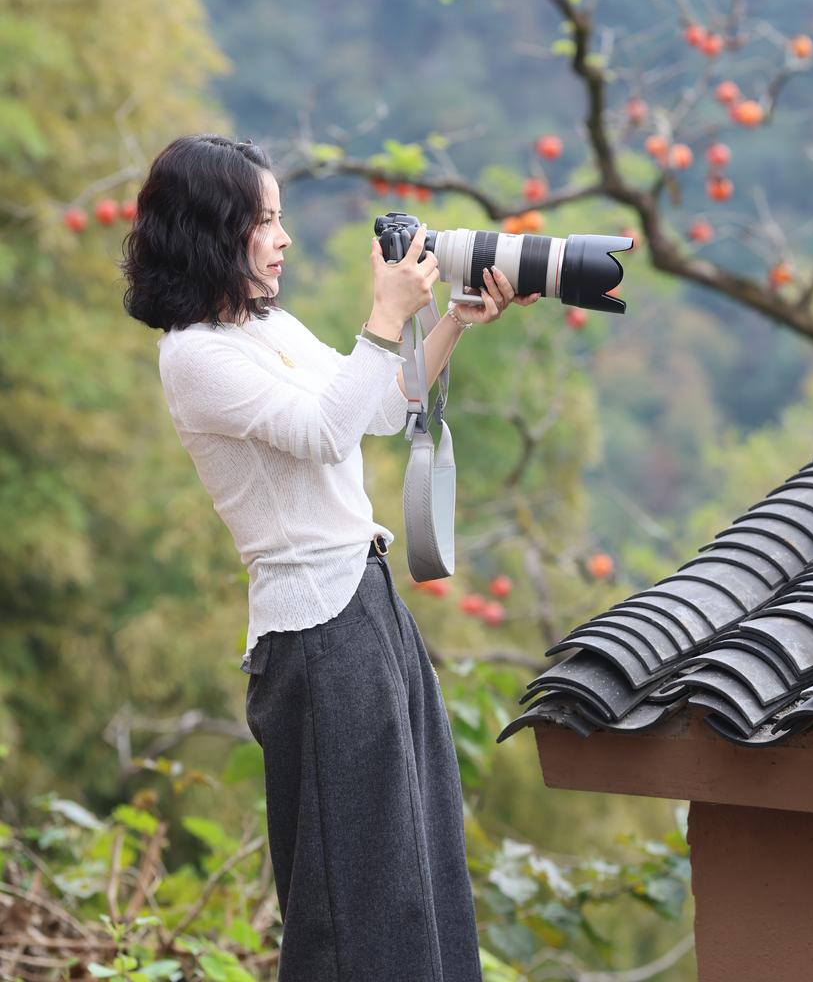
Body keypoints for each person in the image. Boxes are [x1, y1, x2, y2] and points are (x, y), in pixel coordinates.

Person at [119, 133, 540, 981]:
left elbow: (378, 410)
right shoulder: (195, 357)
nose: (282, 239)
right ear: (212, 230)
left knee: (417, 859)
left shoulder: (267, 326)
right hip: (315, 633)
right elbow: (321, 433)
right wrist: (384, 315)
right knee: (356, 893)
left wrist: (451, 319)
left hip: (366, 604)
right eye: (264, 221)